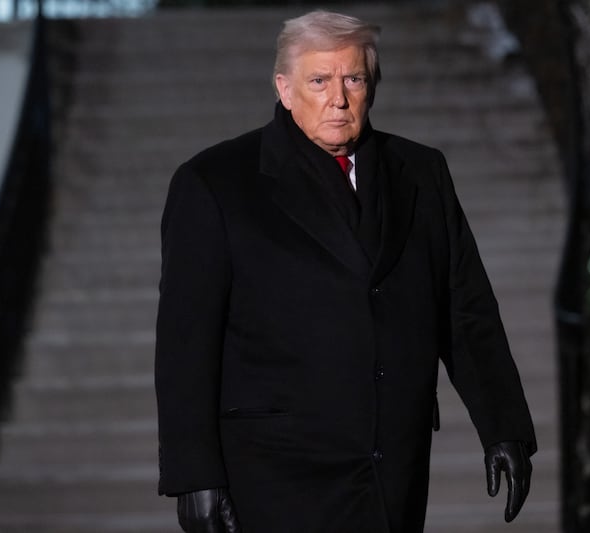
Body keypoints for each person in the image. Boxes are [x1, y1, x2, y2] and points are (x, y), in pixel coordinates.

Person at [155, 10, 536, 533]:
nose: (338, 98)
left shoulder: (421, 173)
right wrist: (194, 474)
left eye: (352, 78)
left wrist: (503, 426)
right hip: (274, 472)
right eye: (319, 81)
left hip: (391, 462)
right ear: (285, 90)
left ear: (371, 85)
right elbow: (185, 343)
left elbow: (464, 307)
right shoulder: (215, 183)